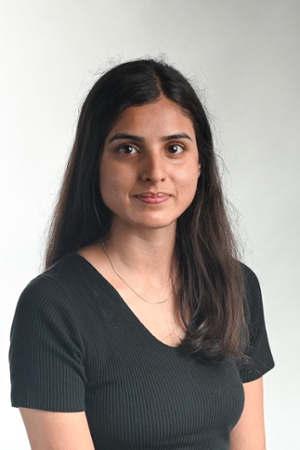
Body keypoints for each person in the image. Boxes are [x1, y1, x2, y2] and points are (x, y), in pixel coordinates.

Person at [9, 58, 274, 450]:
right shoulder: (53, 307)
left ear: (200, 164)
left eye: (175, 148)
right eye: (128, 148)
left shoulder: (235, 286)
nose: (154, 171)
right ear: (94, 162)